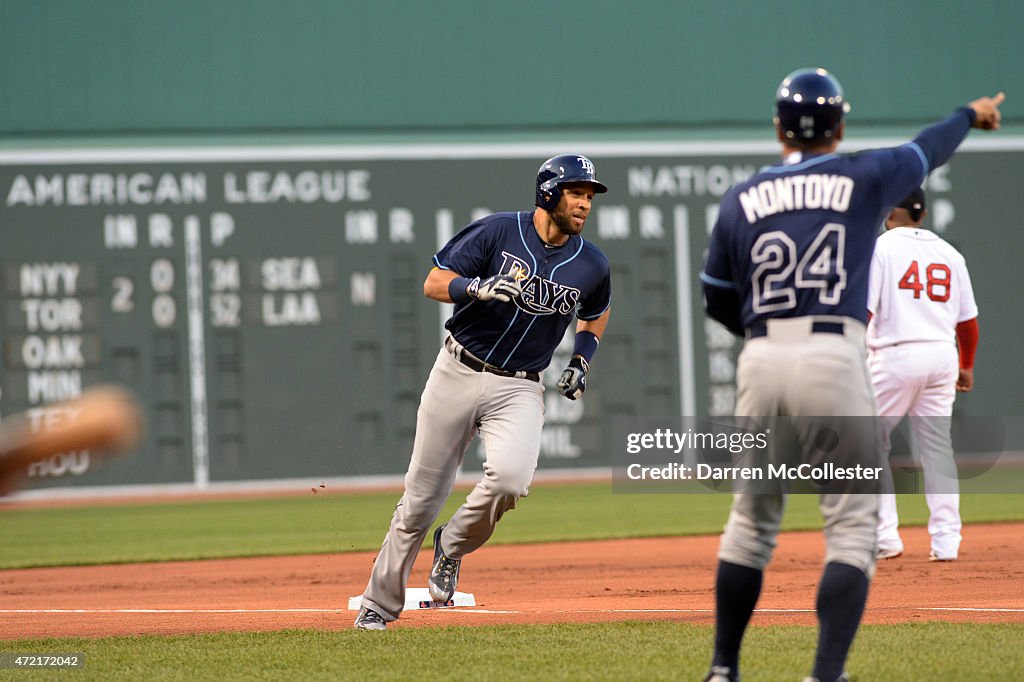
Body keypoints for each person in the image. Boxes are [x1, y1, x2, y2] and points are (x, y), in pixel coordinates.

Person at [699, 67, 1003, 682]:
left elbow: (716, 298)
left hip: (760, 356)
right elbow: (930, 147)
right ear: (838, 127)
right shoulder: (862, 175)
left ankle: (724, 668)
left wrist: (763, 336)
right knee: (852, 529)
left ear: (779, 126)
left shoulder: (743, 196)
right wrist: (969, 114)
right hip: (833, 355)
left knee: (751, 523)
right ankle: (825, 674)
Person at [354, 154, 613, 630]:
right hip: (458, 367)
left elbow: (595, 313)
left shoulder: (591, 263)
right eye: (576, 193)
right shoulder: (497, 231)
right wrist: (475, 287)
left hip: (520, 386)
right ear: (548, 193)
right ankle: (378, 605)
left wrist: (581, 358)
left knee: (512, 480)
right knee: (420, 499)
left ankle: (450, 545)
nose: (584, 204)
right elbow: (432, 281)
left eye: (589, 196)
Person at [868, 187, 979, 562]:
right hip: (941, 353)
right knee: (936, 449)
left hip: (896, 353)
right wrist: (966, 365)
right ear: (923, 214)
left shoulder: (881, 248)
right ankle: (946, 541)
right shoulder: (950, 254)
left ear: (889, 212)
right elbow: (968, 321)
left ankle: (885, 537)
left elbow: (865, 311)